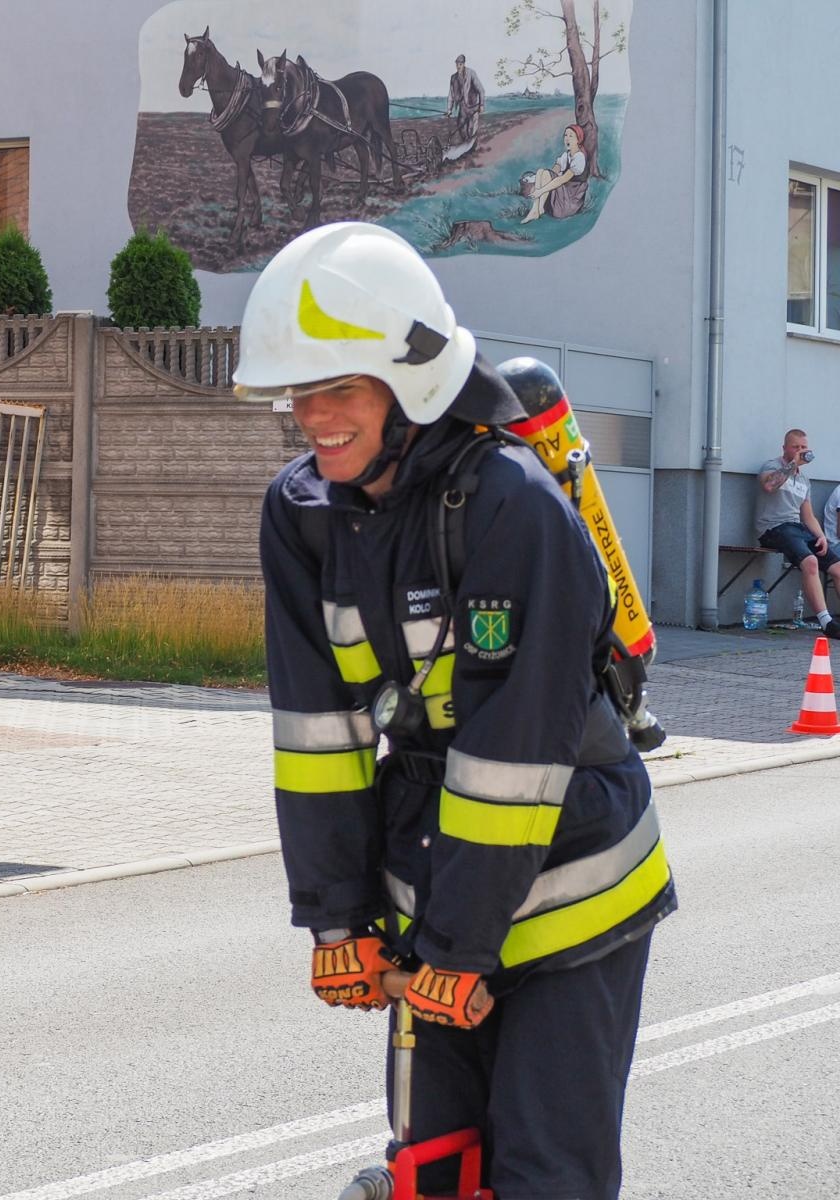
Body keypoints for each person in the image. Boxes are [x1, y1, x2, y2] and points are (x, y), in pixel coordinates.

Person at [235, 222, 675, 1199]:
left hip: (572, 882)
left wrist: (457, 952)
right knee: (431, 1172)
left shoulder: (514, 506)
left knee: (541, 1173)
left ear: (413, 384)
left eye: (339, 390)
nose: (313, 418)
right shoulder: (301, 514)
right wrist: (337, 921)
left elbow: (513, 755)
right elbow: (318, 734)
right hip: (433, 882)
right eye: (300, 393)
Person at [756, 428, 840, 636]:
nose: (800, 451)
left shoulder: (804, 480)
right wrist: (793, 463)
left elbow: (808, 515)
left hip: (797, 528)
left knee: (838, 567)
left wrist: (821, 536)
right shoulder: (772, 466)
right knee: (810, 562)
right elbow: (769, 485)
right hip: (773, 527)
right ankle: (826, 622)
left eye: (803, 447)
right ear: (785, 448)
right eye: (796, 447)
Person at [520, 124, 590, 223]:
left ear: (578, 140)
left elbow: (562, 179)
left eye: (571, 136)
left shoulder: (579, 158)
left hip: (571, 201)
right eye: (565, 135)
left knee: (545, 174)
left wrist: (540, 191)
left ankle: (537, 210)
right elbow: (553, 172)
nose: (567, 139)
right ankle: (537, 210)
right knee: (541, 171)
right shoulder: (566, 156)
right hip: (563, 194)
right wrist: (537, 179)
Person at [444, 54, 485, 144]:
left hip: (474, 106)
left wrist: (481, 105)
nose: (458, 66)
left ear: (464, 64)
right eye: (457, 64)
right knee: (460, 125)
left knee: (472, 128)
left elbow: (481, 90)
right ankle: (466, 143)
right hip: (463, 107)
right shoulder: (453, 78)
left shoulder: (471, 73)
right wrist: (449, 110)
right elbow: (451, 94)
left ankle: (472, 144)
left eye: (460, 64)